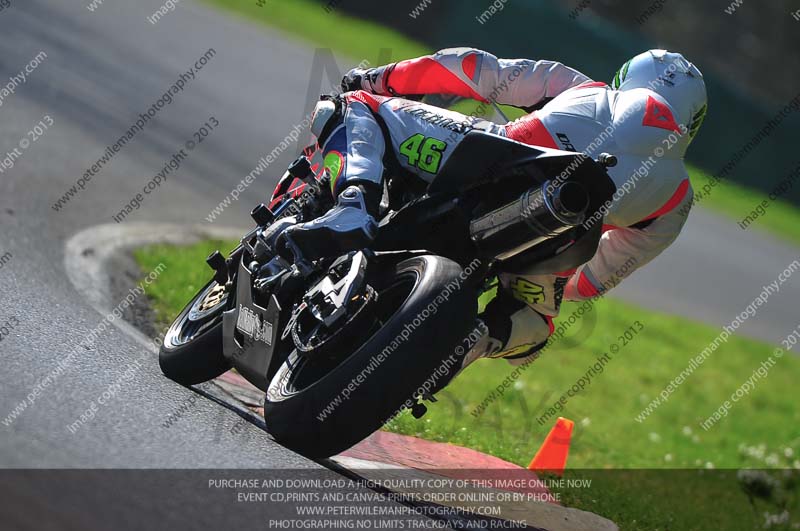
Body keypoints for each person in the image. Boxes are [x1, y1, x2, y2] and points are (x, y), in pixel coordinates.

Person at [288, 48, 707, 367]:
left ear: (626, 76)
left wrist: (380, 78)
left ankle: (355, 202)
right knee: (537, 329)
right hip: (551, 245)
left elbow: (473, 67)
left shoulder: (582, 86)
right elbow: (594, 281)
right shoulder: (677, 201)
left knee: (357, 105)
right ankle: (469, 343)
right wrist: (555, 279)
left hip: (478, 162)